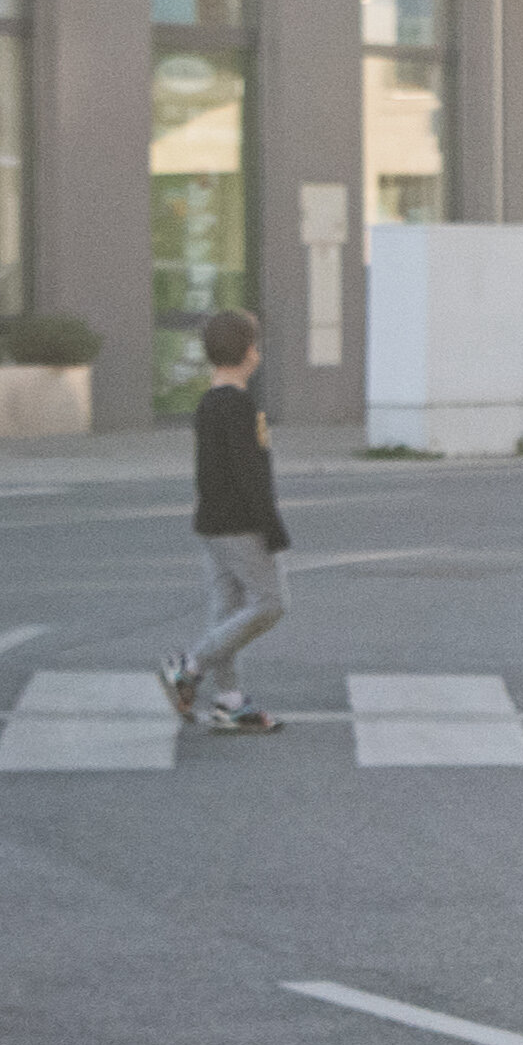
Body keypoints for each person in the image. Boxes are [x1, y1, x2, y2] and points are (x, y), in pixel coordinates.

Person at [158, 304, 290, 736]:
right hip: (241, 524)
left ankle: (229, 701)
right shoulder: (240, 406)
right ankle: (190, 667)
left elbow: (209, 472)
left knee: (227, 612)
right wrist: (272, 528)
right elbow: (252, 476)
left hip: (212, 523)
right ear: (249, 352)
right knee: (270, 604)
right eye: (256, 344)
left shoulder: (209, 403)